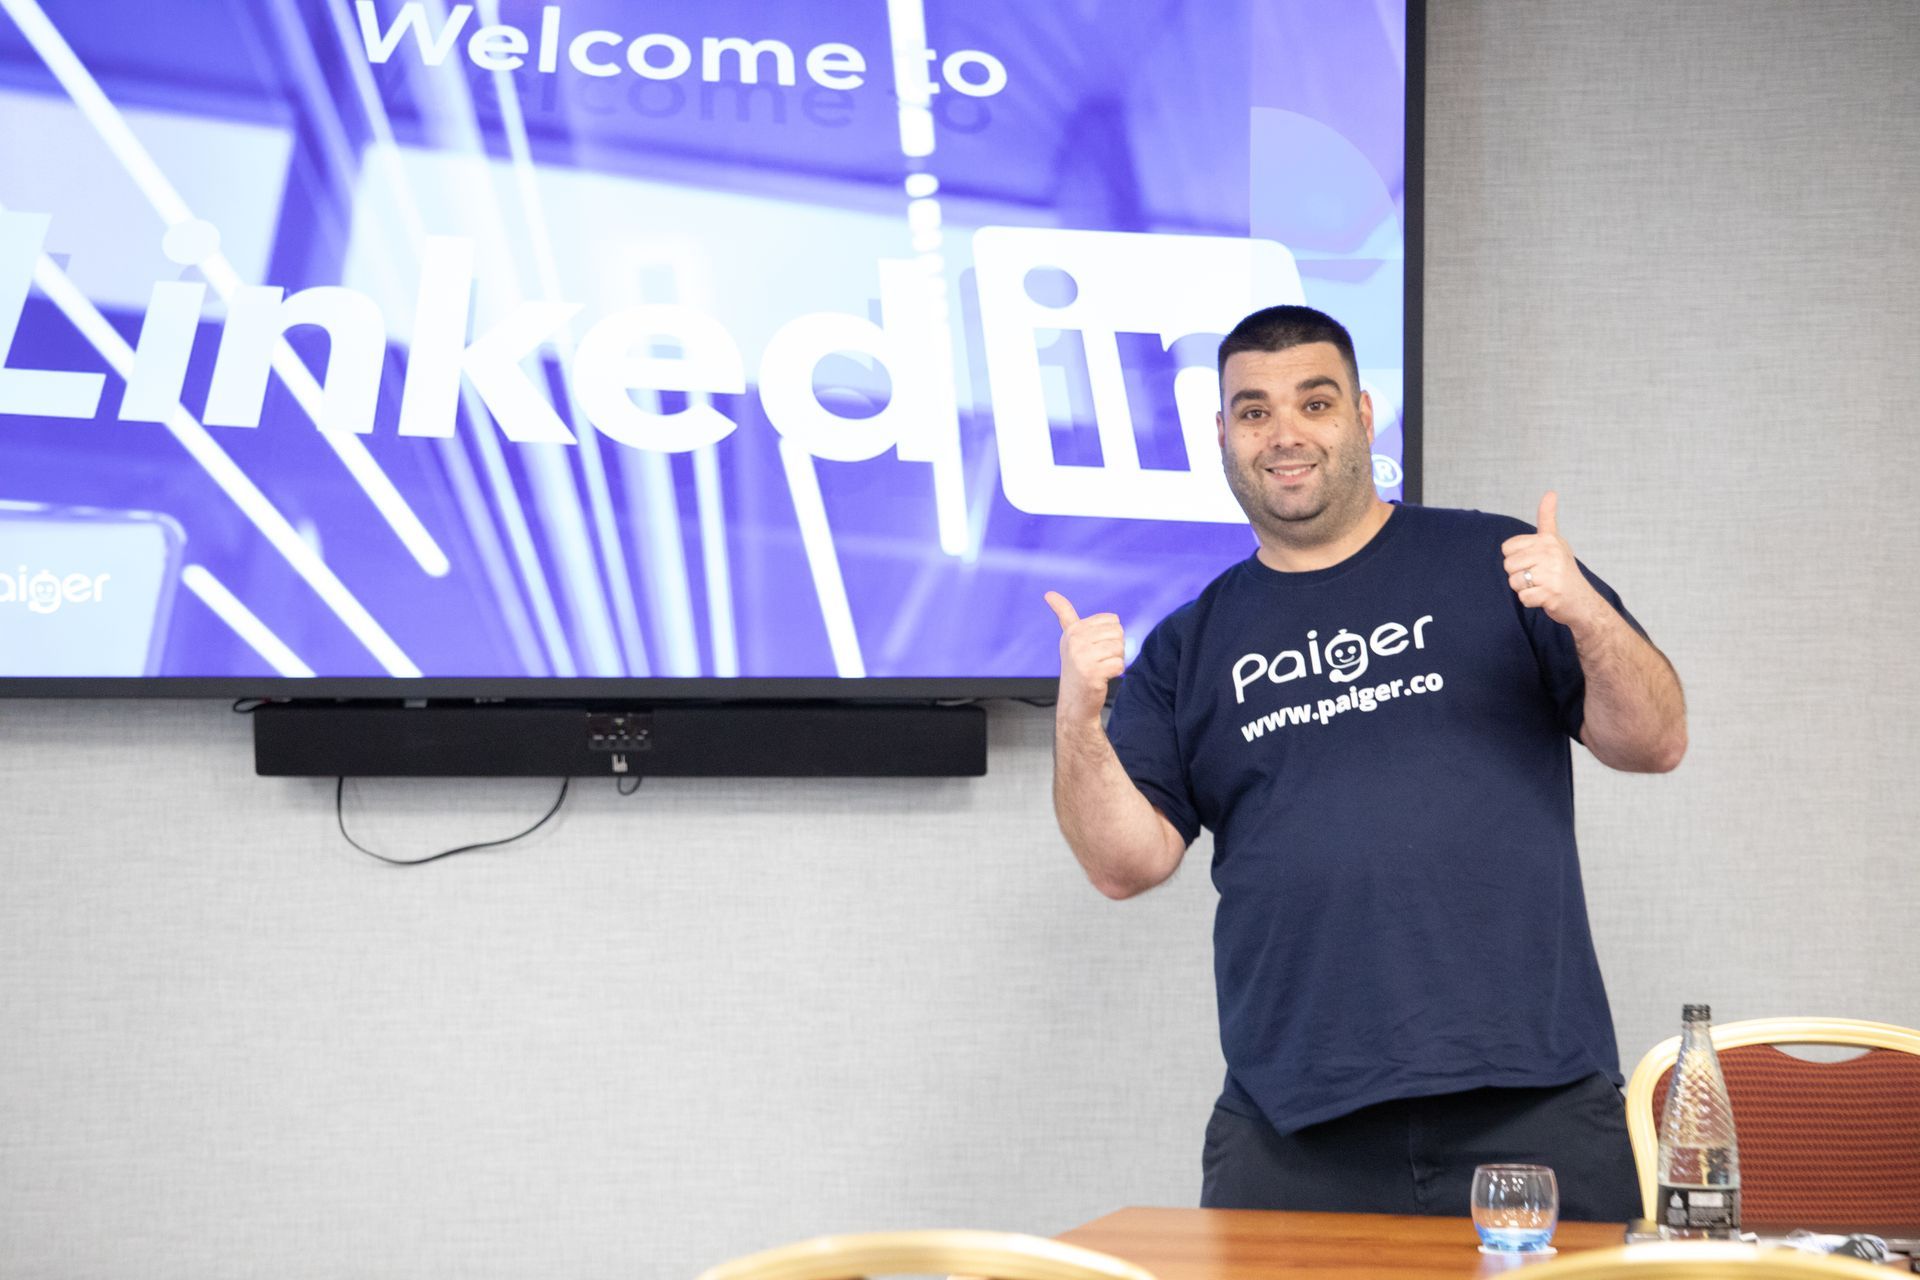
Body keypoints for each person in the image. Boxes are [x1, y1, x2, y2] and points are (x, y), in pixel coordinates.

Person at [1044, 304, 1685, 1221]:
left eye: (1315, 401)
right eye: (1254, 411)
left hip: (1532, 1101)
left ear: (1363, 415)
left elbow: (1655, 740)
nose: (1285, 433)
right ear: (1221, 435)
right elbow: (1123, 863)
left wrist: (1586, 614)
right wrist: (1077, 718)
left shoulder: (1496, 563)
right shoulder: (1191, 645)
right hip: (1294, 1125)